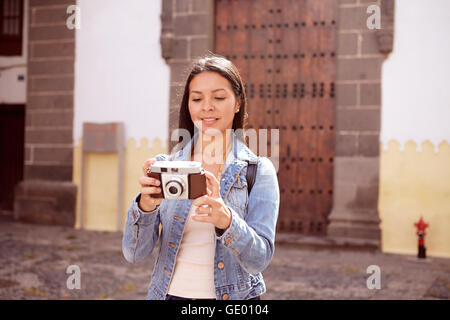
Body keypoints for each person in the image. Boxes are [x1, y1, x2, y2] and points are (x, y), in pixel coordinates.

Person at [122, 54, 280, 300]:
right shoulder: (165, 167)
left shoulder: (259, 171)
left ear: (238, 102)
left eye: (218, 97)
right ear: (189, 105)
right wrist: (145, 206)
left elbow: (259, 259)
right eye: (197, 98)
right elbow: (134, 254)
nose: (207, 106)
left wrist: (226, 221)